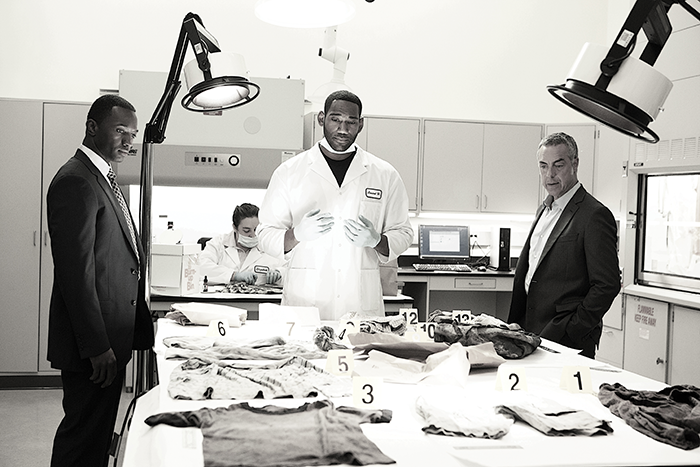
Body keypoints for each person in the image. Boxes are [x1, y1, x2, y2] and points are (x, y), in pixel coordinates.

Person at [46, 94, 155, 466]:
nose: (129, 142)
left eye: (134, 134)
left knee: (95, 437)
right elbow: (76, 274)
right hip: (94, 346)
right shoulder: (76, 181)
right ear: (92, 128)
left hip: (110, 337)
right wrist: (96, 346)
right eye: (120, 131)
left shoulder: (103, 177)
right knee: (82, 438)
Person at [257, 90, 413, 320]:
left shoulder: (384, 174)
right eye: (336, 119)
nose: (343, 129)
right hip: (306, 302)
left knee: (359, 355)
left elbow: (404, 232)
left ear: (361, 125)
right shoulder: (289, 173)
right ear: (322, 118)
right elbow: (264, 234)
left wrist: (376, 240)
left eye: (351, 122)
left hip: (359, 302)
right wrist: (296, 234)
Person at [507, 132, 620, 358]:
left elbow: (607, 284)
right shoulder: (544, 210)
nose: (550, 174)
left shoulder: (594, 215)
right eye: (543, 166)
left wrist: (573, 329)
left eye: (558, 165)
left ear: (574, 164)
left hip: (566, 339)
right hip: (530, 331)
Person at [198, 203, 284, 285]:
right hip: (222, 297)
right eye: (246, 230)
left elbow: (290, 268)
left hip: (258, 298)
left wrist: (279, 273)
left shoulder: (269, 244)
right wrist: (233, 275)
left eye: (256, 230)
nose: (253, 235)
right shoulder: (218, 243)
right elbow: (202, 267)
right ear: (235, 228)